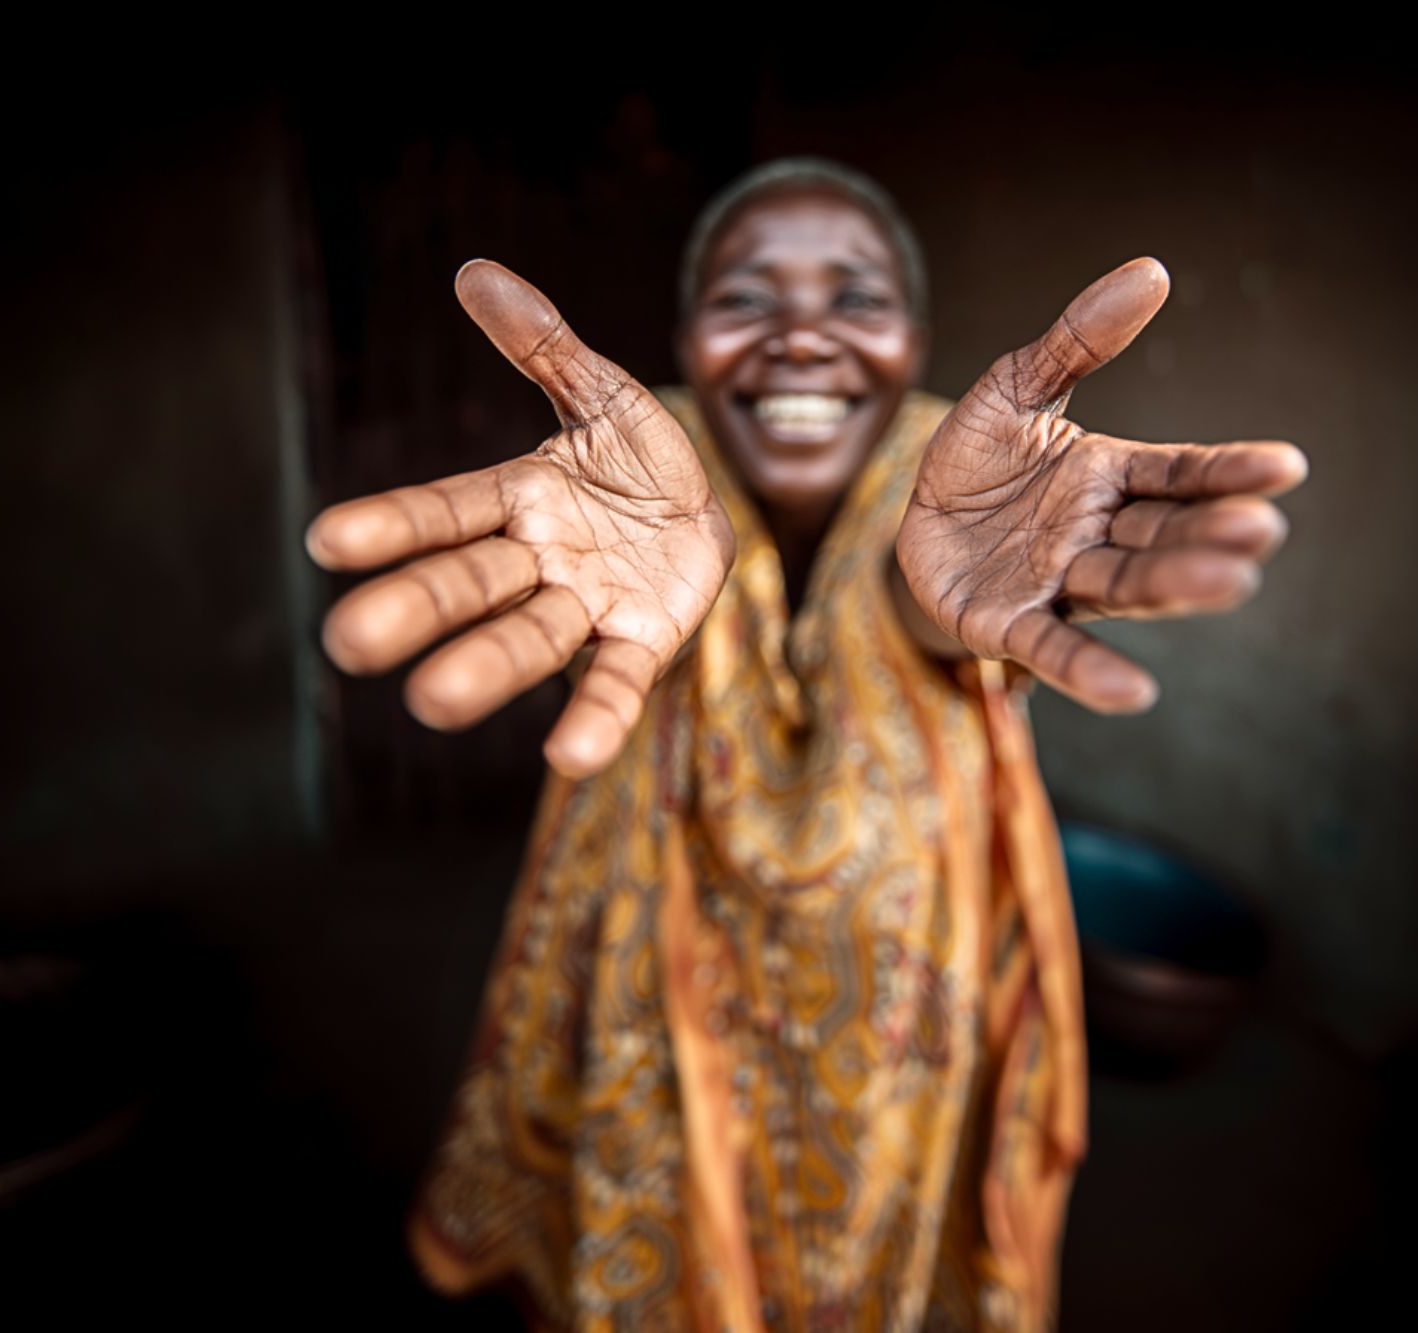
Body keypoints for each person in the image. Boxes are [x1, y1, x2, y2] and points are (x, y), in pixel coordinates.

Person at [305, 158, 1306, 1331]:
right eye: (744, 300)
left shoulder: (972, 473)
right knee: (646, 1194)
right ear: (686, 336)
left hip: (900, 990)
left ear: (915, 338)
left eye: (855, 299)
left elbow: (910, 604)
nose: (799, 337)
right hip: (650, 956)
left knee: (880, 1221)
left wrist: (928, 607)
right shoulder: (627, 465)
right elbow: (635, 607)